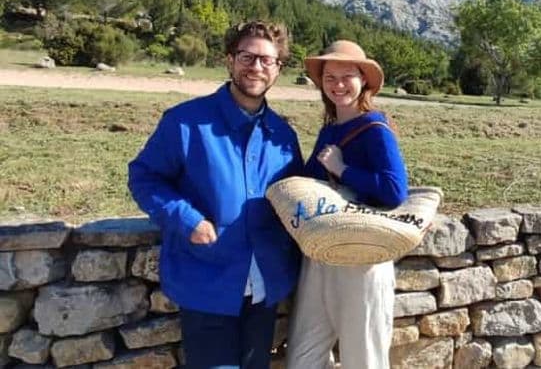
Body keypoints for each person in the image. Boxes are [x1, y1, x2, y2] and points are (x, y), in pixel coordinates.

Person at [128, 21, 303, 369]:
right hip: (207, 281)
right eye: (247, 56)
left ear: (278, 68)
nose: (256, 67)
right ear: (229, 60)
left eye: (267, 60)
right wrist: (186, 218)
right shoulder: (185, 122)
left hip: (265, 287)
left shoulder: (283, 135)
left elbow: (297, 194)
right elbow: (144, 177)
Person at [285, 40, 409, 369]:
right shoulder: (330, 130)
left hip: (362, 255)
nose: (338, 85)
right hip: (321, 250)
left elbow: (394, 191)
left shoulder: (375, 129)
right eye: (330, 78)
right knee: (303, 353)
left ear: (364, 79)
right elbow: (311, 179)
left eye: (347, 76)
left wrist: (343, 170)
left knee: (363, 357)